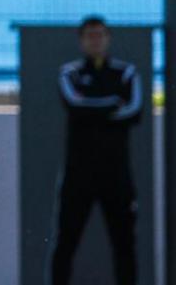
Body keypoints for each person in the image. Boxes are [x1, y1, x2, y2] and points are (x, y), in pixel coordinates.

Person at [49, 15, 142, 285]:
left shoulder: (126, 73)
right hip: (78, 176)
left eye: (100, 35)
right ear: (81, 41)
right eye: (90, 35)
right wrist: (112, 103)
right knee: (65, 241)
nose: (95, 40)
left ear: (108, 38)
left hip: (117, 175)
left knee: (124, 243)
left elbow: (134, 111)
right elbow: (75, 105)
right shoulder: (70, 73)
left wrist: (92, 110)